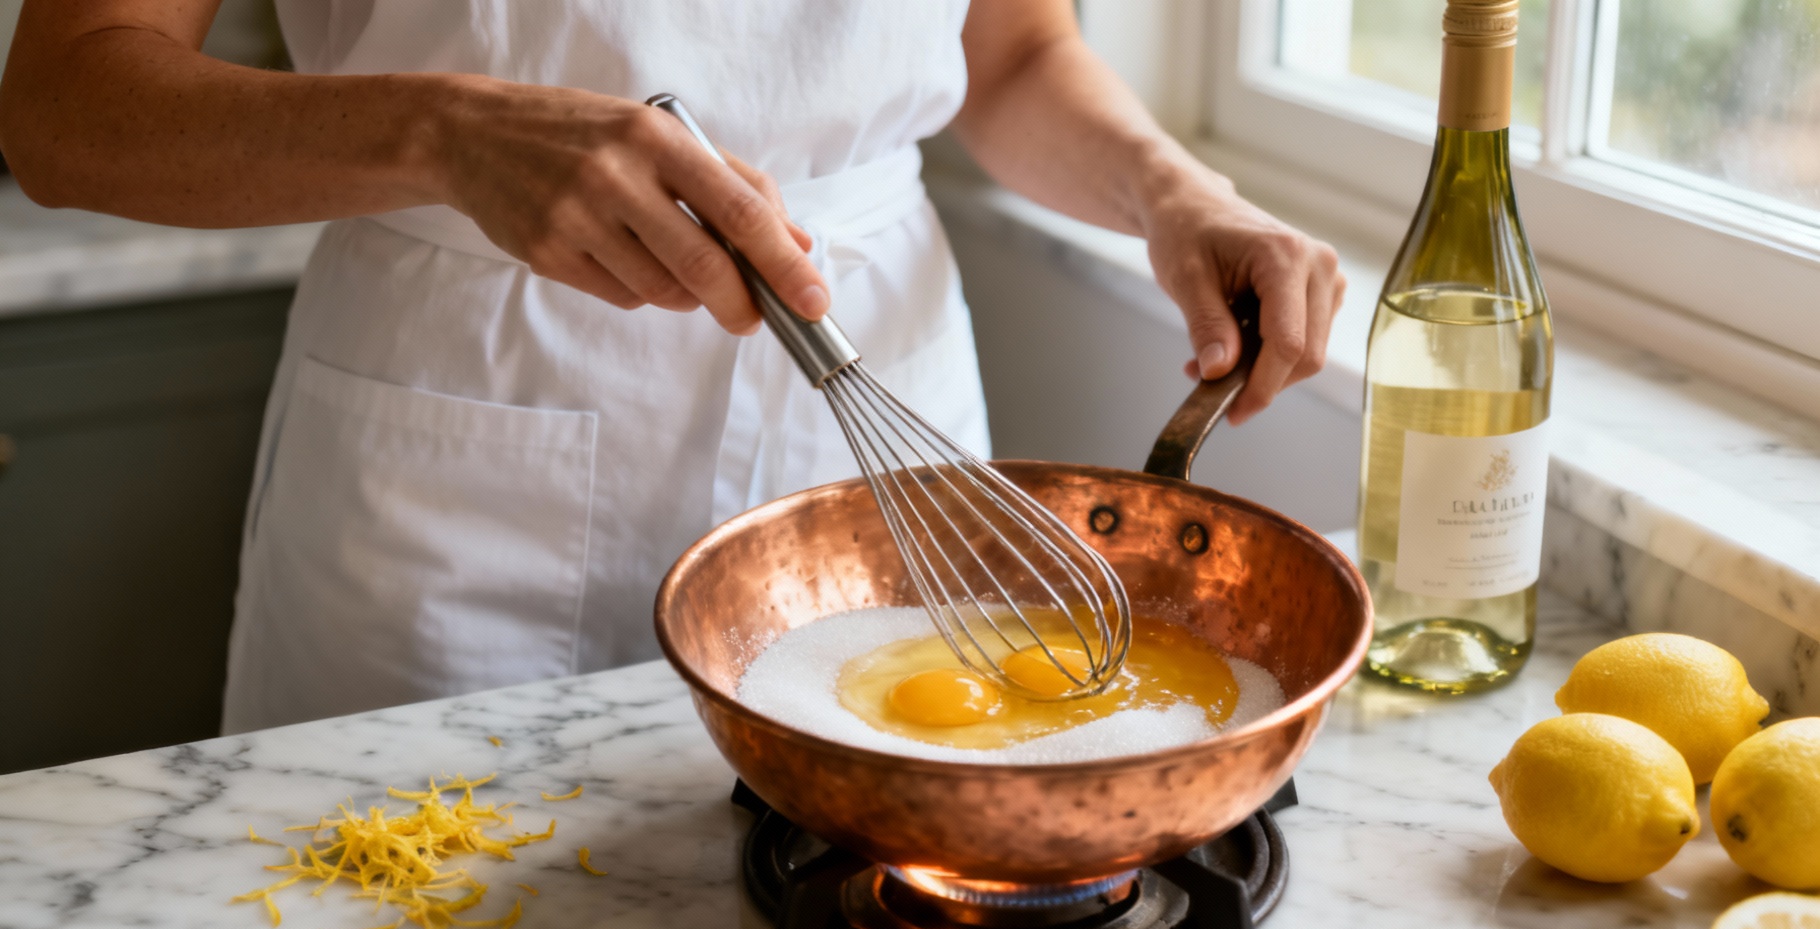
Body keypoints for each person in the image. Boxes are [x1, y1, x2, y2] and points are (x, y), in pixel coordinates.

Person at [0, 0, 1345, 732]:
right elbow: (70, 107)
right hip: (463, 421)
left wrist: (1173, 190)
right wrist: (444, 129)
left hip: (876, 398)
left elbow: (1012, 50)